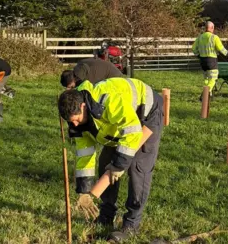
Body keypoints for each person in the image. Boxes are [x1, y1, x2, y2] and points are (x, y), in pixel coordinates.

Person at [58, 77, 163, 243]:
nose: (76, 125)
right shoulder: (78, 124)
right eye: (71, 122)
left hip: (146, 116)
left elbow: (132, 131)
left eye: (77, 119)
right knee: (105, 162)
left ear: (83, 106)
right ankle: (106, 215)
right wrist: (84, 191)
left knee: (138, 169)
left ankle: (131, 225)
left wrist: (119, 165)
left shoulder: (107, 100)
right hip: (116, 128)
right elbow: (85, 155)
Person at [192, 21, 228, 99]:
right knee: (213, 78)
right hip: (211, 61)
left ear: (205, 28)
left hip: (202, 61)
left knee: (206, 78)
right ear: (212, 28)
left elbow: (193, 49)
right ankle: (205, 93)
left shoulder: (200, 37)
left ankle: (209, 94)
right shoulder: (214, 37)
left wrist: (199, 55)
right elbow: (221, 49)